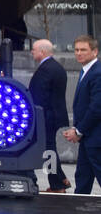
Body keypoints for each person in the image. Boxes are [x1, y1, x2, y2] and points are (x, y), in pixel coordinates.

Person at [29, 39, 71, 192]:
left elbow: (40, 96)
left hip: (46, 117)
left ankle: (58, 182)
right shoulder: (55, 67)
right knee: (48, 150)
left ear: (42, 51)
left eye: (34, 49)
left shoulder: (47, 69)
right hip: (50, 116)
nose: (32, 52)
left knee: (48, 151)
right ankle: (59, 181)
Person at [64, 35, 100, 195]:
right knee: (83, 177)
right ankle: (77, 210)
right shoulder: (86, 70)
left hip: (96, 138)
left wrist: (78, 131)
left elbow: (96, 108)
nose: (79, 53)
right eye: (76, 50)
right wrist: (77, 129)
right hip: (88, 137)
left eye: (83, 50)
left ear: (95, 51)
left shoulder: (97, 73)